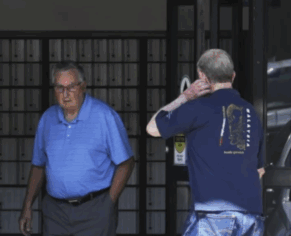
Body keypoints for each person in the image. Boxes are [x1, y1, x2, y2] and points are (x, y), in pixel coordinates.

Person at [146, 49, 265, 236]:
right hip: (251, 215)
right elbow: (260, 170)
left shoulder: (197, 108)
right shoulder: (251, 113)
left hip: (212, 215)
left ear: (202, 76)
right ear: (233, 76)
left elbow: (152, 128)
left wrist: (185, 96)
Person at [19, 61, 134, 236]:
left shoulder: (104, 116)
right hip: (55, 212)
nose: (65, 94)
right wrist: (27, 206)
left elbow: (126, 162)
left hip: (95, 209)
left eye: (71, 87)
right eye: (59, 88)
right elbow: (38, 166)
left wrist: (109, 202)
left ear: (83, 86)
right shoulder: (48, 119)